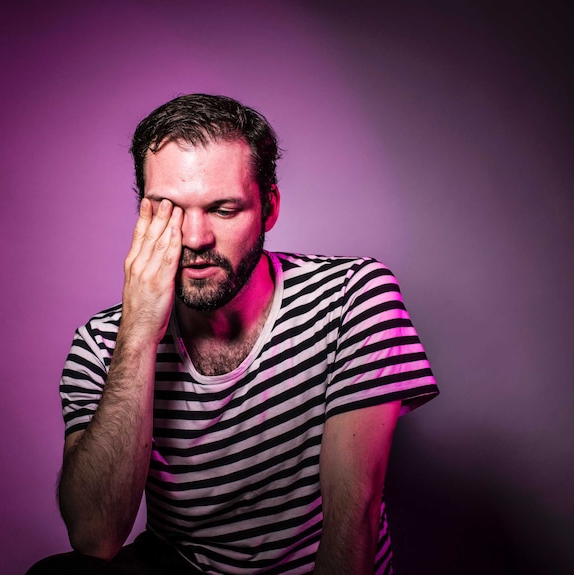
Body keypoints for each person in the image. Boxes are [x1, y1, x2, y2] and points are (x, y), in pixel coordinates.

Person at [29, 94, 438, 575]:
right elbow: (94, 537)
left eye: (223, 210)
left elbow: (354, 514)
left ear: (269, 206)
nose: (196, 239)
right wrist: (139, 332)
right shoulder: (102, 344)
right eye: (170, 210)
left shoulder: (352, 296)